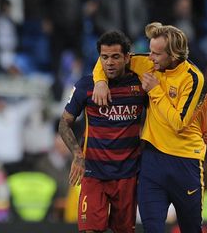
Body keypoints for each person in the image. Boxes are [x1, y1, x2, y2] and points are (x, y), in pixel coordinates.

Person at [92, 22, 207, 233]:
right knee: (152, 229)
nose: (150, 57)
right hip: (152, 161)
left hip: (185, 162)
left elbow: (179, 123)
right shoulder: (149, 64)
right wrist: (100, 82)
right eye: (151, 51)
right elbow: (111, 59)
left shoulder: (193, 78)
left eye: (156, 53)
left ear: (173, 55)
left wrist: (155, 90)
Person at [59, 31, 147, 233]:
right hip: (93, 173)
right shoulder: (85, 86)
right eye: (104, 57)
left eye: (115, 57)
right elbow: (64, 123)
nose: (110, 63)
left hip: (127, 175)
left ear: (127, 57)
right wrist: (77, 155)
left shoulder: (140, 86)